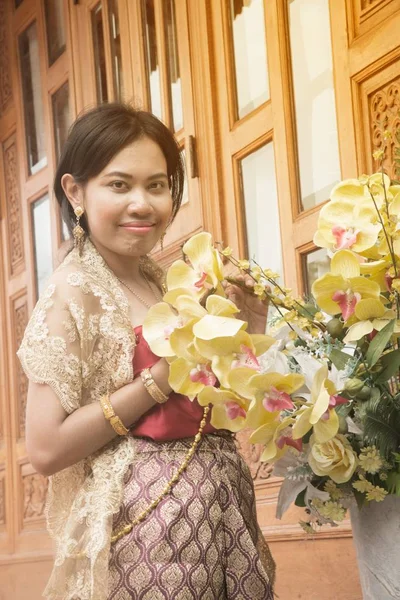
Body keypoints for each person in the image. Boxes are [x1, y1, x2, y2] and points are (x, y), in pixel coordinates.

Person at [17, 102, 275, 600]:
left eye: (157, 185)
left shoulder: (166, 282)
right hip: (147, 537)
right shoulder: (73, 292)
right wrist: (155, 383)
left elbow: (218, 410)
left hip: (221, 517)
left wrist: (250, 325)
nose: (143, 203)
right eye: (119, 185)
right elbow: (45, 450)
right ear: (75, 192)